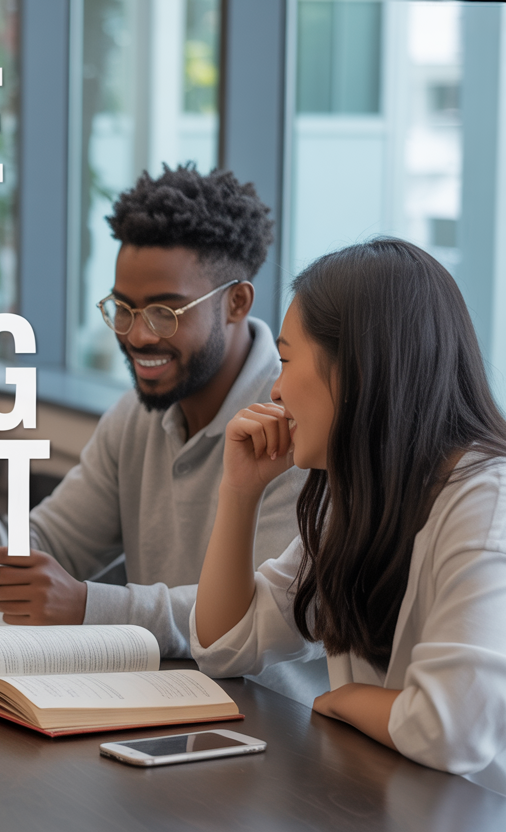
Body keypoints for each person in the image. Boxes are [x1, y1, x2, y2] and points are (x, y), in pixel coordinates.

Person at [0, 164, 323, 701]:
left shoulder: (300, 428)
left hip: (276, 725)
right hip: (152, 702)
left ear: (236, 302)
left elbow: (255, 618)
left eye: (165, 312)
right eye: (122, 309)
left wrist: (86, 605)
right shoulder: (136, 416)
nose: (138, 335)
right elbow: (54, 540)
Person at [191, 238, 506, 794]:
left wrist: (348, 699)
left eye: (287, 361)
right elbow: (224, 646)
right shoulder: (361, 491)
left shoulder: (487, 504)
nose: (277, 388)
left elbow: (449, 729)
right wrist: (239, 493)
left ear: (357, 368)